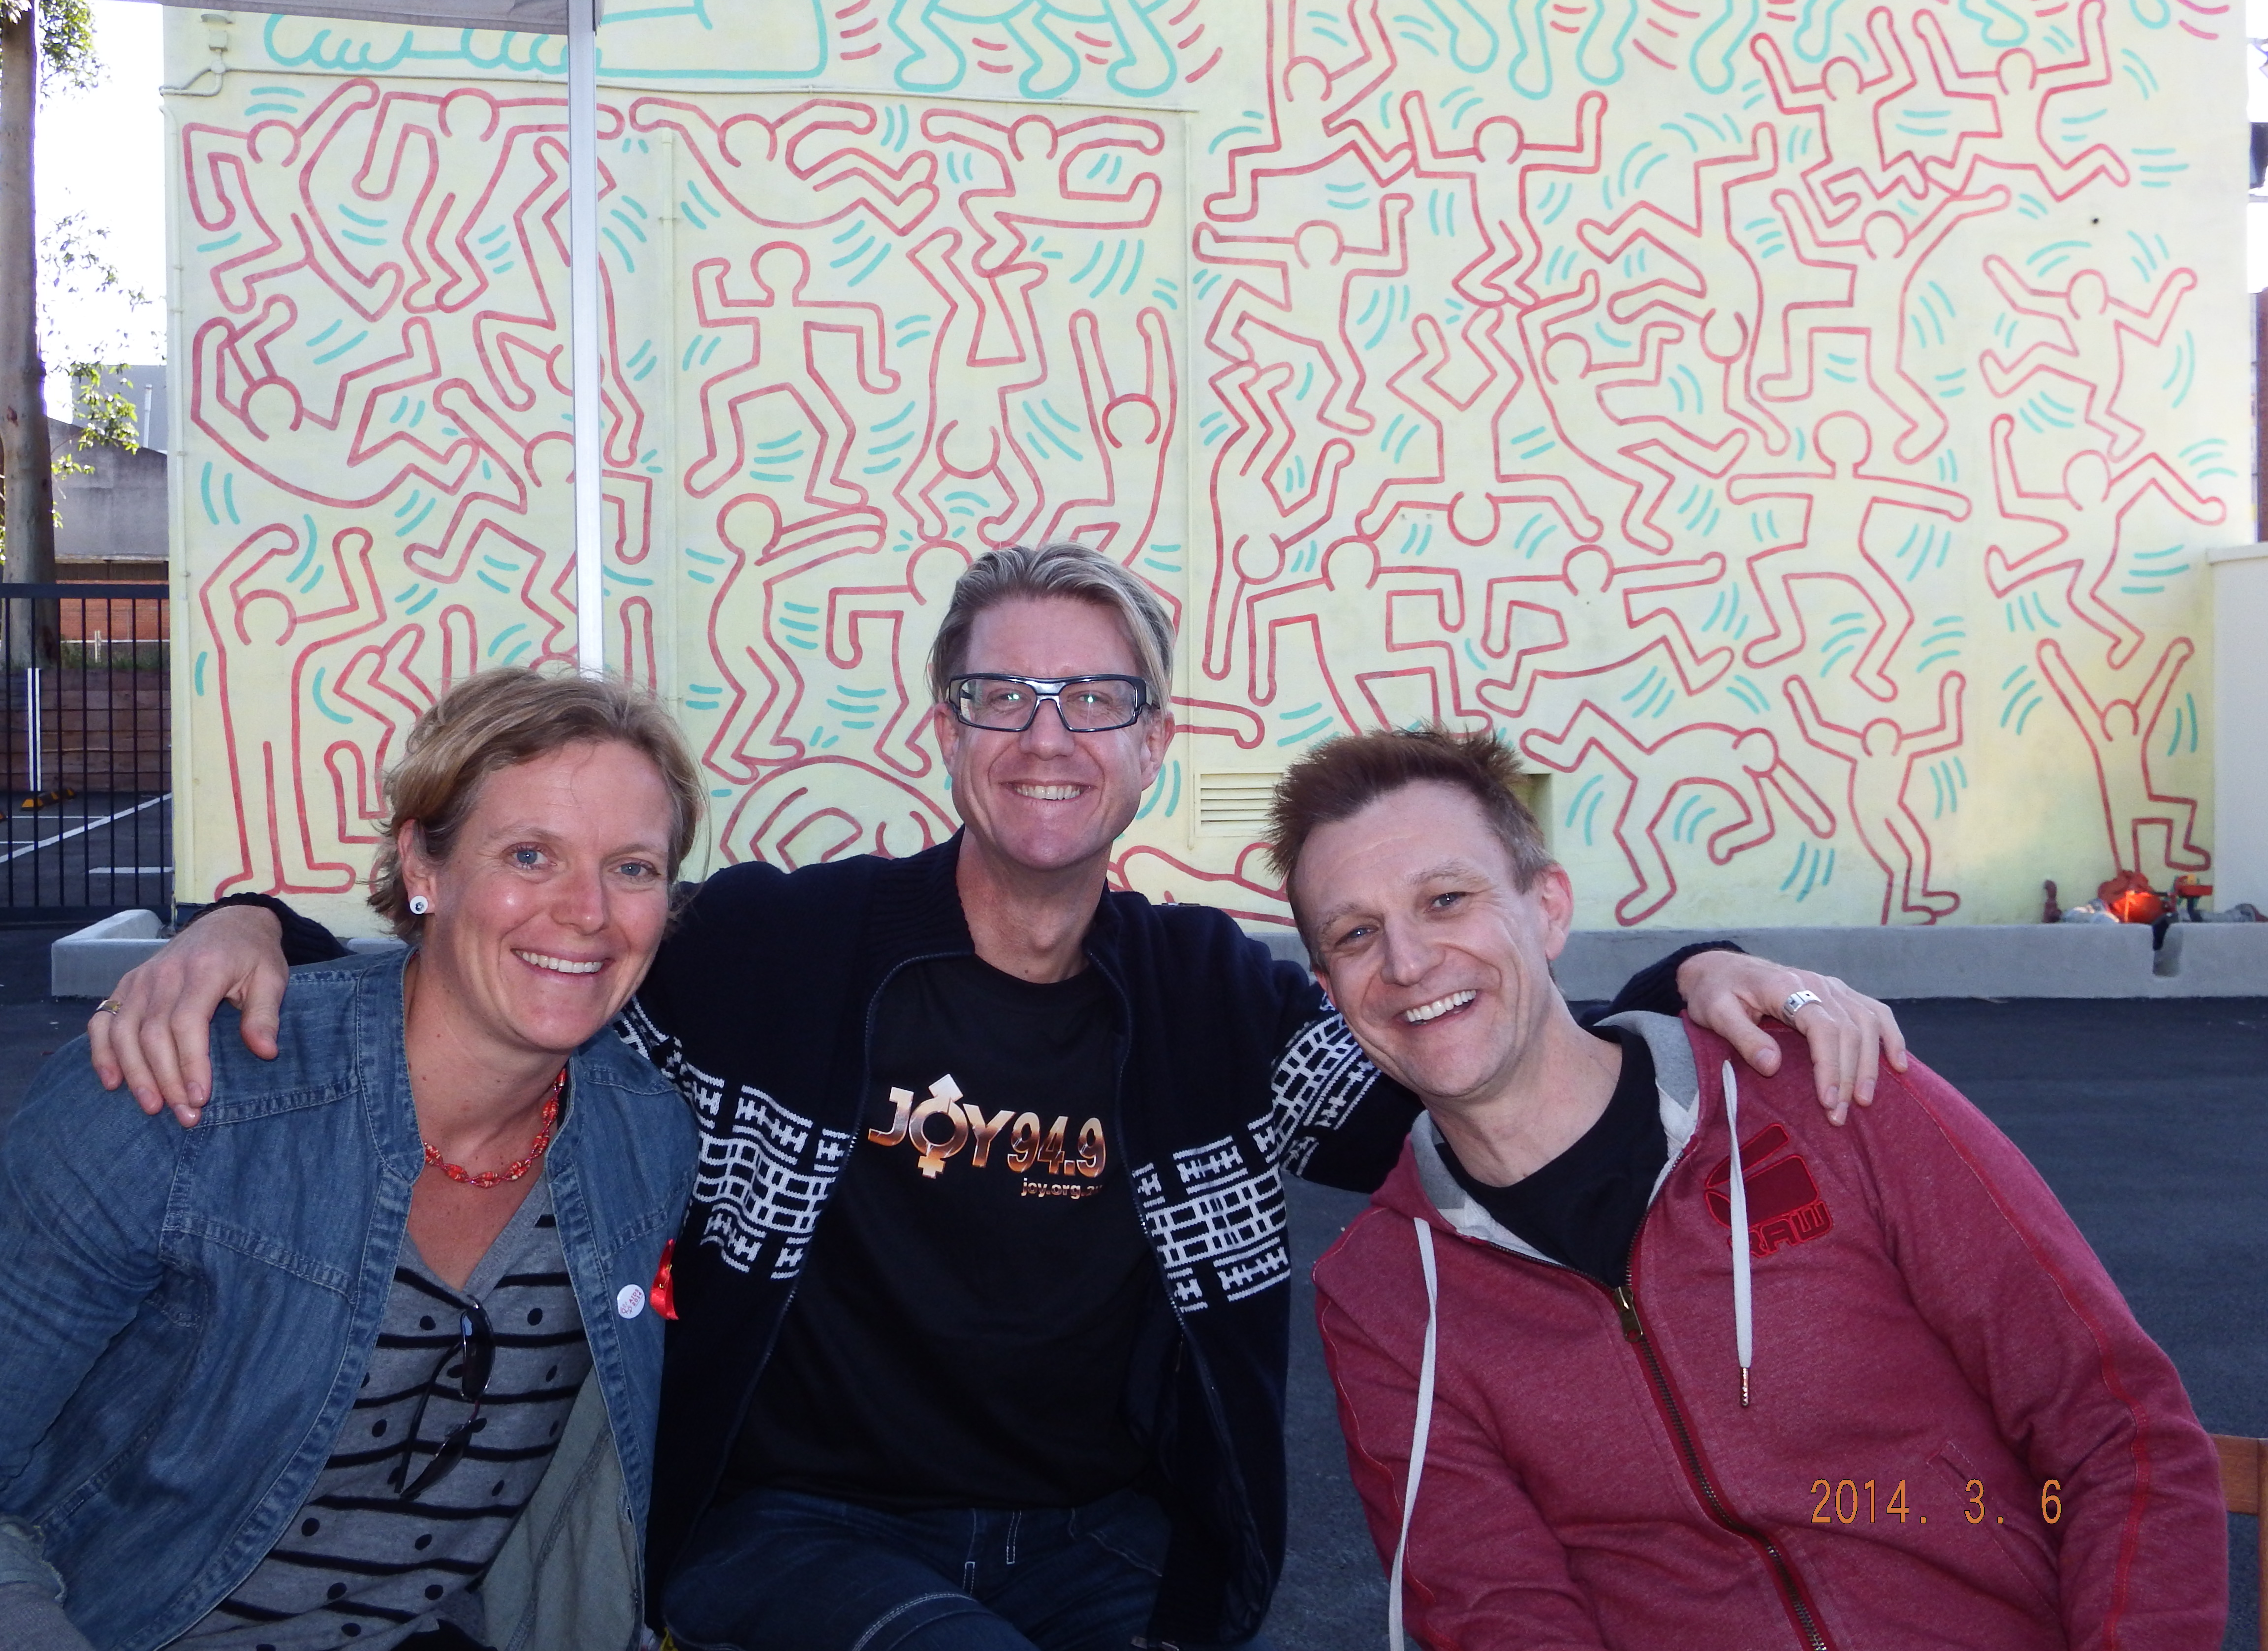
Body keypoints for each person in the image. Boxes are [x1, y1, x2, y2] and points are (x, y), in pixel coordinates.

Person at [91, 545, 1908, 1651]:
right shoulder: (778, 952)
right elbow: (521, 951)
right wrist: (249, 924)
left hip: (1106, 1540)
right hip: (794, 1526)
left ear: (1151, 746)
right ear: (947, 731)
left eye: (1095, 699)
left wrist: (1684, 982)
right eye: (1004, 696)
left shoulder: (1213, 1000)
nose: (1048, 735)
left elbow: (1469, 1062)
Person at [1271, 726, 2226, 1650]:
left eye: (1446, 899)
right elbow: (1499, 1616)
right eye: (1358, 933)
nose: (1407, 963)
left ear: (1550, 907)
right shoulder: (1385, 1298)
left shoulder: (1828, 1092)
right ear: (1328, 986)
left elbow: (2117, 1432)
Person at [0, 669, 704, 1651]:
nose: (588, 911)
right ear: (424, 865)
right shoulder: (178, 1097)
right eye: (530, 854)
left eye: (631, 868)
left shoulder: (645, 1138)